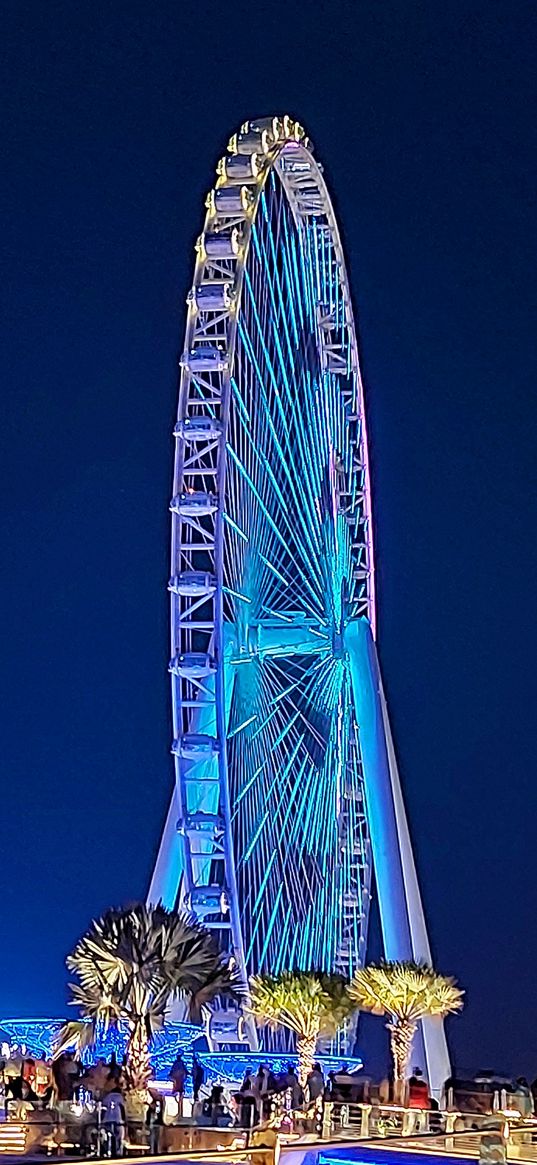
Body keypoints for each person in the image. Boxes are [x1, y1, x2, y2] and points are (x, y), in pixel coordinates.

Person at [101, 1087, 126, 1157]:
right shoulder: (120, 1097)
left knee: (108, 1136)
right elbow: (122, 1108)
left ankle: (107, 1150)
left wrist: (102, 1119)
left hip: (107, 1119)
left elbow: (103, 1109)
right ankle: (118, 1151)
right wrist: (124, 1119)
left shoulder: (107, 1097)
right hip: (118, 1120)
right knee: (119, 1136)